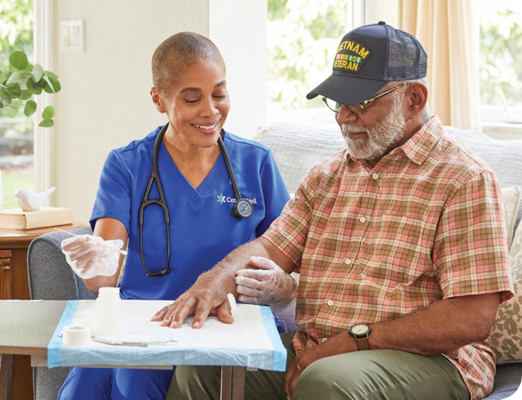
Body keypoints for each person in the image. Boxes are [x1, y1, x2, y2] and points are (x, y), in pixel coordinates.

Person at [155, 22, 514, 400]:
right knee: (205, 366)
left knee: (328, 381)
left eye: (360, 103)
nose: (343, 117)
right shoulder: (326, 177)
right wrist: (213, 282)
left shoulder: (465, 180)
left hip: (435, 361)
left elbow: (471, 318)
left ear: (415, 99)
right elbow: (267, 249)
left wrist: (354, 341)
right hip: (318, 351)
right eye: (338, 102)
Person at [57, 31, 290, 400]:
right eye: (192, 98)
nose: (210, 111)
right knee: (82, 390)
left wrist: (279, 283)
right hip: (144, 323)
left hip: (224, 322)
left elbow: (286, 253)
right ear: (158, 98)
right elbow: (103, 275)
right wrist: (92, 261)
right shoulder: (126, 165)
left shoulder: (256, 163)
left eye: (219, 94)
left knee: (133, 387)